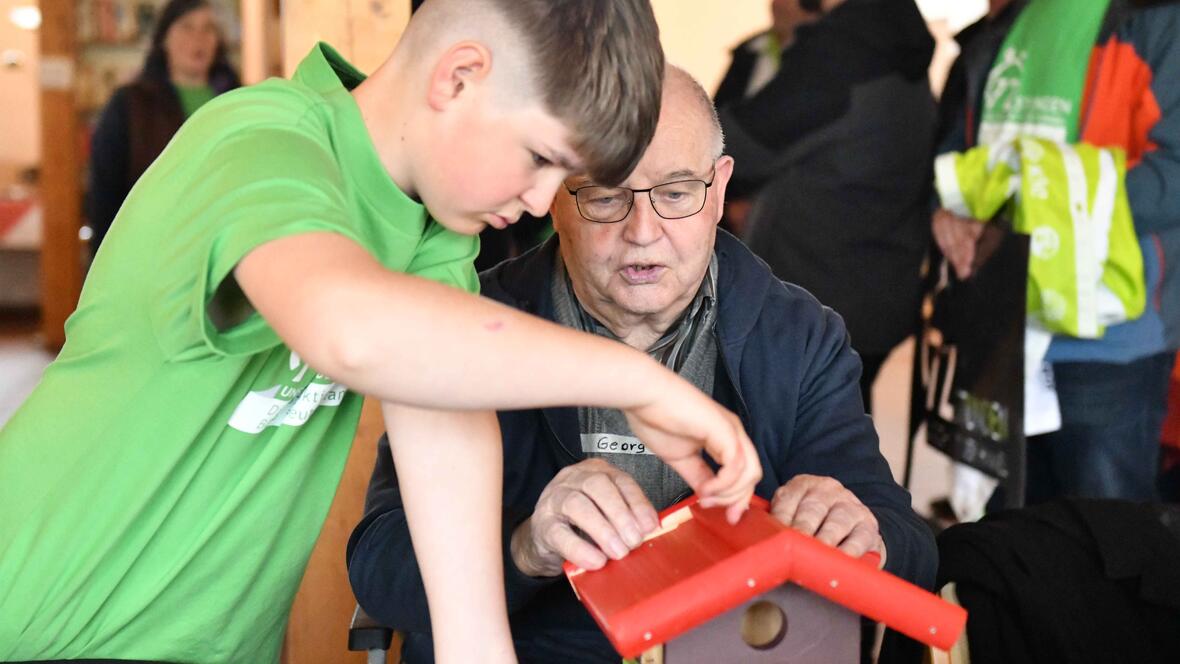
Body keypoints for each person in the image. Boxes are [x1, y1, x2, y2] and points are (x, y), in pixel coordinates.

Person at [0, 2, 763, 662]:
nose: (540, 203)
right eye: (539, 159)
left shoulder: (434, 241)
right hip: (36, 624)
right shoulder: (259, 141)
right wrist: (637, 381)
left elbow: (461, 557)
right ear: (458, 78)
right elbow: (350, 327)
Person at [347, 65, 937, 664]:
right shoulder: (471, 325)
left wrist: (862, 532)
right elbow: (379, 568)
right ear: (553, 199)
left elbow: (912, 548)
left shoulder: (798, 336)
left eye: (676, 194)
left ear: (719, 191)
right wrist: (524, 547)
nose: (643, 231)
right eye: (606, 197)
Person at [931, 0, 1180, 506]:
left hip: (1108, 334)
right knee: (1006, 530)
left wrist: (1029, 206)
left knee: (1103, 535)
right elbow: (960, 151)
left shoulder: (1157, 17)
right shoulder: (1004, 24)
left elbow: (1172, 176)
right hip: (1002, 325)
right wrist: (945, 211)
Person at [714, 0, 936, 413]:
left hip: (814, 298)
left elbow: (735, 142)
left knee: (789, 439)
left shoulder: (842, 53)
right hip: (875, 289)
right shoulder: (893, 39)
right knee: (839, 430)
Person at [86, 0, 241, 254]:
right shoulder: (130, 104)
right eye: (187, 27)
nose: (199, 38)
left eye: (208, 28)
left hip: (226, 249)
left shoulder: (238, 101)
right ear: (164, 39)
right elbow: (105, 193)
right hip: (152, 252)